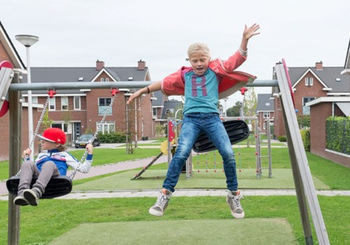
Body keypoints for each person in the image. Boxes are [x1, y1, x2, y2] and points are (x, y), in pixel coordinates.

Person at [127, 24, 260, 218]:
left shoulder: (216, 70)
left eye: (202, 60)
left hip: (212, 119)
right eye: (195, 60)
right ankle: (164, 194)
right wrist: (142, 90)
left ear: (209, 58)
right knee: (181, 153)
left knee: (228, 153)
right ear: (189, 60)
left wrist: (245, 40)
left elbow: (237, 59)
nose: (199, 64)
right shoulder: (185, 75)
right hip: (190, 120)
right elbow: (163, 83)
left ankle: (233, 194)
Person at [13, 127, 94, 206]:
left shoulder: (65, 155)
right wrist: (26, 158)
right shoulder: (41, 155)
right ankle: (22, 194)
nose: (42, 142)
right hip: (39, 178)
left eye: (46, 140)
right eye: (42, 139)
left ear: (57, 144)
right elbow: (29, 172)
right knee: (28, 164)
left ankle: (36, 191)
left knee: (49, 164)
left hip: (56, 179)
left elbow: (84, 169)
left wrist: (89, 154)